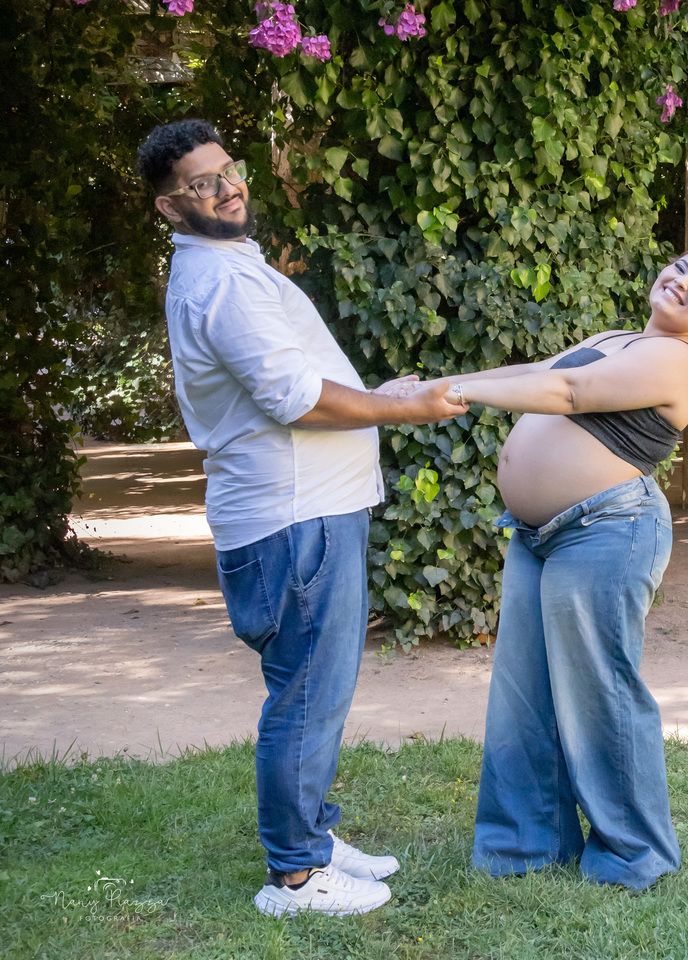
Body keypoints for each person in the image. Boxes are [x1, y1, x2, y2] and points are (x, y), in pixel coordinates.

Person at [136, 119, 462, 917]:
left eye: (229, 170)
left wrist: (380, 397)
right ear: (169, 207)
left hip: (304, 512)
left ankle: (310, 836)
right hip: (294, 519)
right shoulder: (223, 282)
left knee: (316, 690)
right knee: (307, 696)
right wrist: (407, 409)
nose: (228, 188)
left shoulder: (228, 267)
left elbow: (292, 379)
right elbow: (295, 399)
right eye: (202, 183)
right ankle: (294, 876)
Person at [386, 247, 688, 889]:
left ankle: (634, 854)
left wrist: (458, 392)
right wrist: (438, 386)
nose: (681, 283)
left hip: (607, 532)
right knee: (522, 693)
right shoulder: (617, 338)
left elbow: (568, 391)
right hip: (538, 535)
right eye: (679, 268)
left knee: (599, 694)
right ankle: (524, 846)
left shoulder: (676, 360)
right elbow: (538, 370)